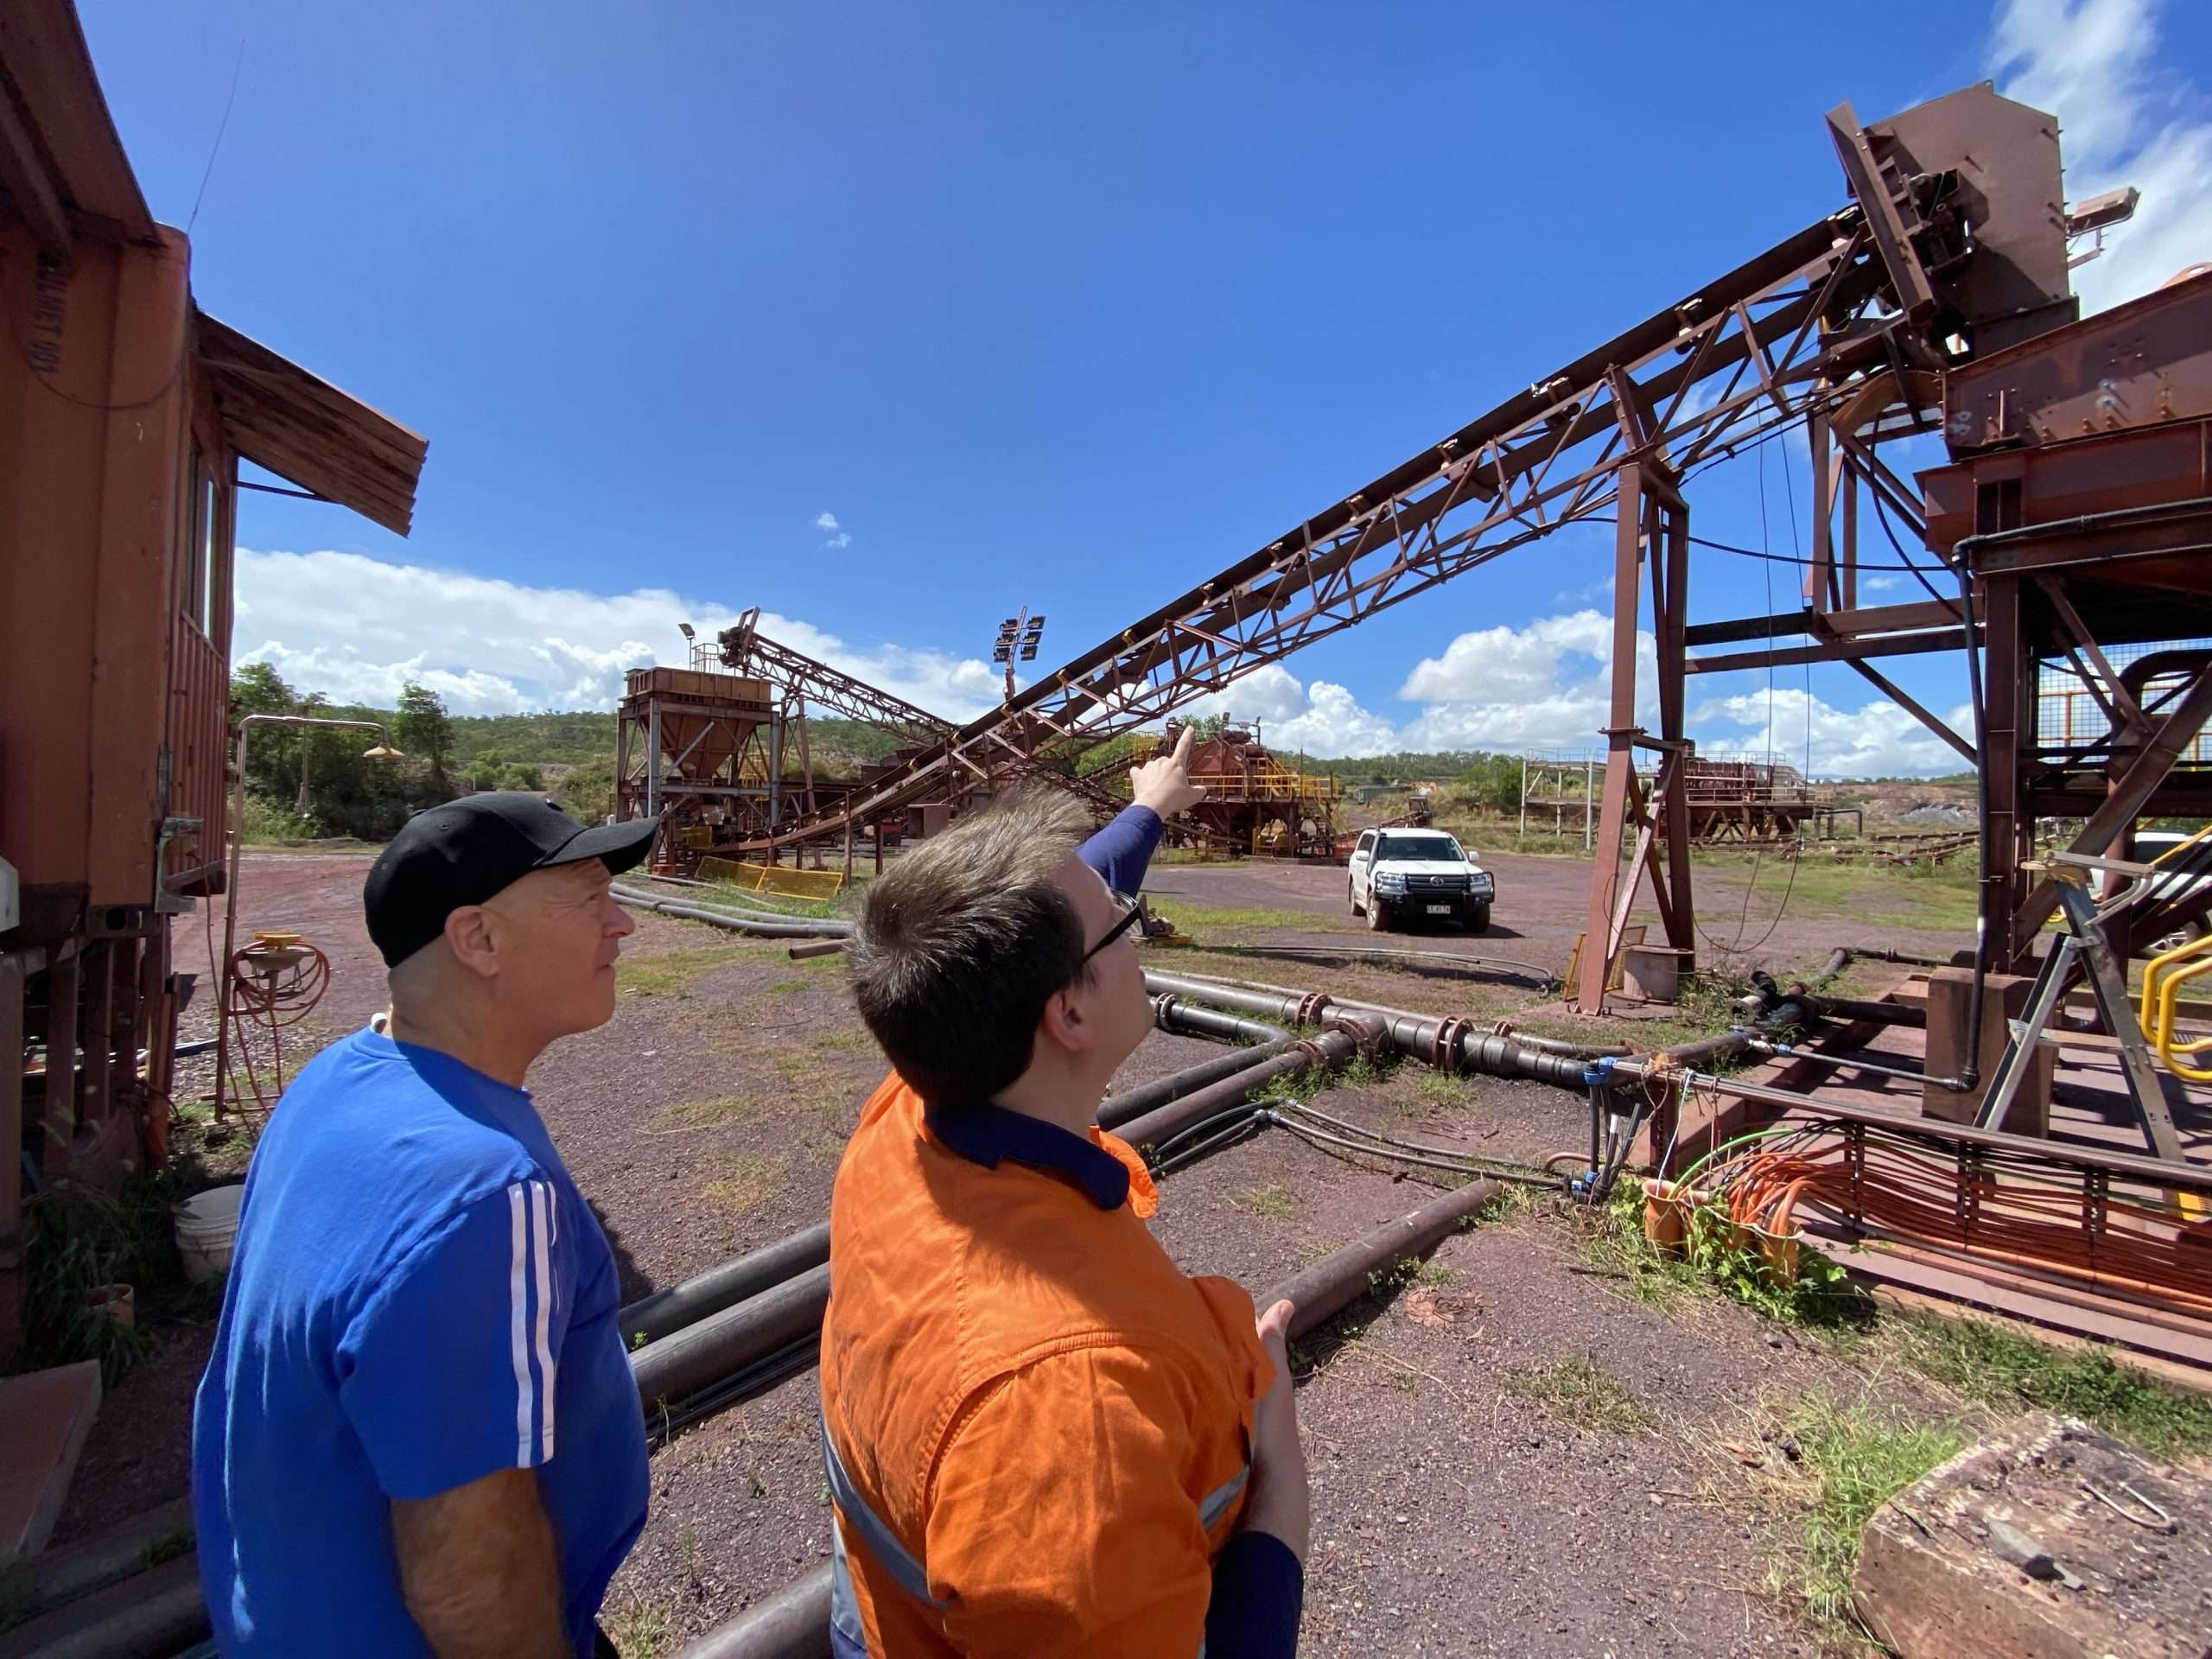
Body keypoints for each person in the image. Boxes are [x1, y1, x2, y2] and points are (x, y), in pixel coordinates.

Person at [822, 729, 1311, 1658]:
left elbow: (1057, 906)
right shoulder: (1064, 1407)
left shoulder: (904, 1111)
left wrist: (1153, 806)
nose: (1136, 921)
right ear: (1069, 1013)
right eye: (1127, 921)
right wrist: (1280, 1470)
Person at [192, 794, 661, 1657]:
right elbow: (469, 1580)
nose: (622, 924)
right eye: (590, 898)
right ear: (477, 939)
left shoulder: (332, 1084)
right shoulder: (484, 1193)